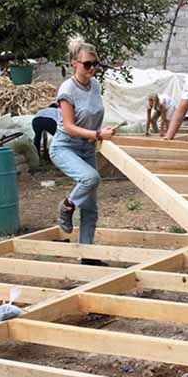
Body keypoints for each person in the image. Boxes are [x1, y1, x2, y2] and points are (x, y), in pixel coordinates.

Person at [50, 35, 116, 258]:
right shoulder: (67, 90)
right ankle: (67, 206)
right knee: (91, 178)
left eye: (95, 64)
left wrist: (101, 130)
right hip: (65, 146)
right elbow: (68, 126)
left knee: (90, 208)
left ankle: (87, 255)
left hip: (87, 147)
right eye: (87, 64)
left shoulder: (95, 85)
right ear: (74, 64)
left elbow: (92, 114)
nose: (92, 68)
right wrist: (97, 134)